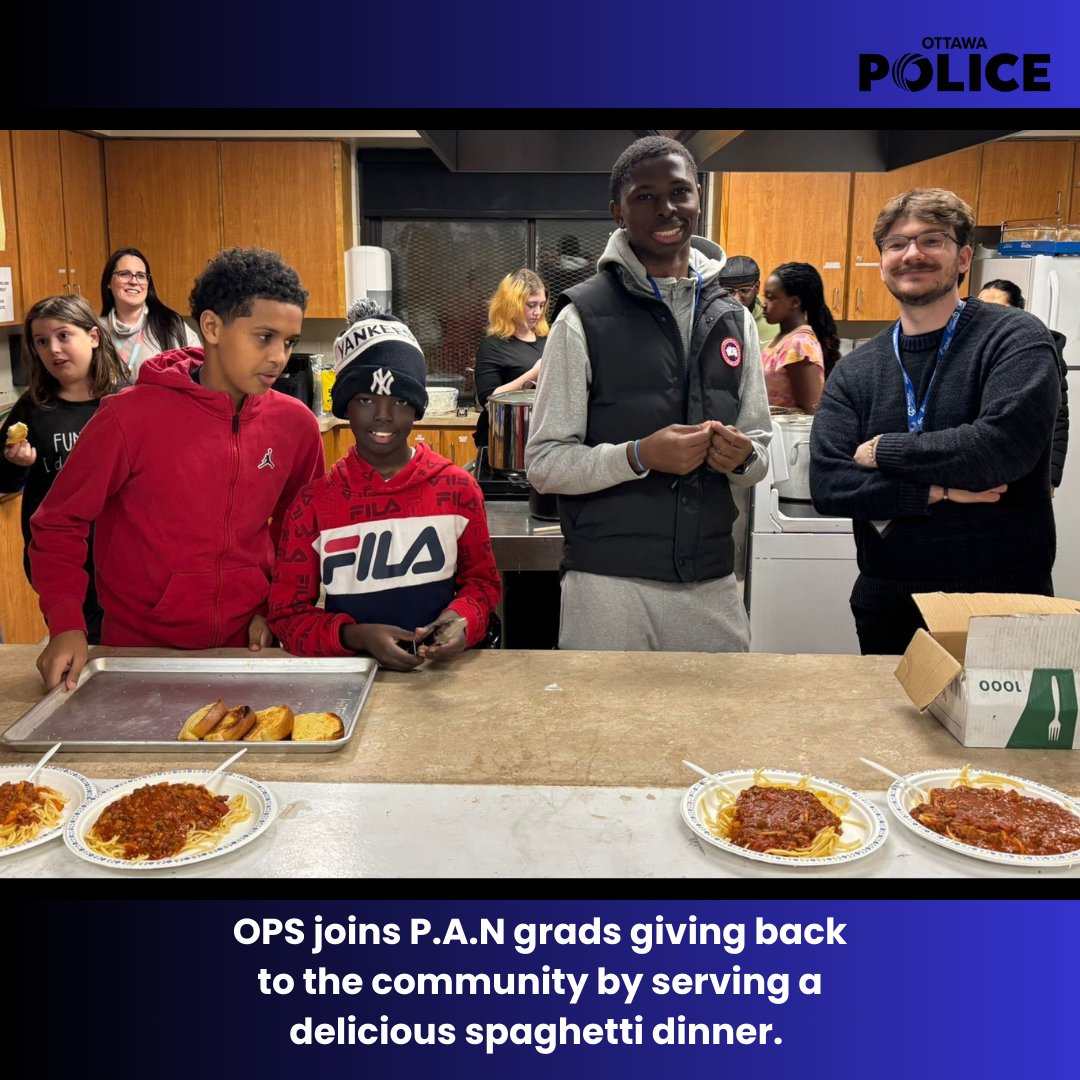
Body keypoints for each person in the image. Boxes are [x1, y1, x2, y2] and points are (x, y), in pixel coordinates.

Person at [30, 247, 326, 689]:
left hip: (248, 647)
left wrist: (275, 609)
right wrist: (66, 623)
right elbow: (58, 523)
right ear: (212, 327)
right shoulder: (127, 418)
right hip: (137, 651)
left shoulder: (296, 425)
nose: (278, 357)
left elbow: (299, 530)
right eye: (264, 337)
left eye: (289, 342)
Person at [524, 135, 771, 652]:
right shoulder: (580, 318)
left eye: (680, 192)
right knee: (604, 710)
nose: (666, 208)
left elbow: (760, 453)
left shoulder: (734, 319)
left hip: (710, 579)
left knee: (721, 707)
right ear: (617, 210)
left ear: (698, 198)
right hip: (607, 583)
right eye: (645, 196)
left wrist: (744, 458)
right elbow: (545, 464)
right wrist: (639, 456)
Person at [810, 188, 1062, 656]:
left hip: (1002, 605)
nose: (912, 254)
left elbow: (997, 451)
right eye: (896, 244)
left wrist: (882, 450)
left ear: (963, 257)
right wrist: (935, 491)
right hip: (889, 603)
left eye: (932, 240)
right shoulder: (856, 370)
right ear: (882, 261)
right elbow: (828, 483)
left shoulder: (1015, 338)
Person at [268, 299, 501, 670]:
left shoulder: (457, 490)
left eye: (400, 401)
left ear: (417, 407)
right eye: (365, 399)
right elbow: (287, 618)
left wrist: (460, 622)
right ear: (345, 405)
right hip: (354, 680)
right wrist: (356, 636)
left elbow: (482, 585)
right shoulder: (313, 504)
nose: (383, 415)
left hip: (441, 680)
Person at [0, 296, 130, 644]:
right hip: (59, 560)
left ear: (93, 337)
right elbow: (4, 481)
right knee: (76, 643)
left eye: (63, 336)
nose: (53, 349)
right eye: (42, 341)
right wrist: (15, 464)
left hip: (121, 556)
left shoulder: (125, 401)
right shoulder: (32, 408)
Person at [977, 278, 1069, 492]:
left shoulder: (1040, 350)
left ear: (1017, 314)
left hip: (1023, 470)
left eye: (998, 309)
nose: (986, 316)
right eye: (981, 307)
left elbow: (1058, 417)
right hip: (976, 468)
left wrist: (1052, 476)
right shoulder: (964, 348)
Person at [472, 269, 549, 450]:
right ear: (511, 305)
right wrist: (534, 374)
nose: (538, 312)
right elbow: (488, 400)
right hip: (505, 440)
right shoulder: (492, 346)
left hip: (541, 436)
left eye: (542, 305)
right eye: (531, 305)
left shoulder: (548, 340)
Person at [100, 247, 200, 378]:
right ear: (108, 282)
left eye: (141, 276)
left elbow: (200, 368)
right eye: (124, 274)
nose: (134, 281)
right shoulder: (97, 331)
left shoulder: (171, 324)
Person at [760, 262, 841, 412]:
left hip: (786, 428)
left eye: (771, 298)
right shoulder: (782, 340)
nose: (764, 304)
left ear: (795, 302)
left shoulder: (799, 345)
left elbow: (810, 410)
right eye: (765, 297)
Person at [715, 255, 778, 347]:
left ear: (757, 288)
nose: (736, 298)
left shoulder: (774, 322)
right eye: (729, 290)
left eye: (744, 290)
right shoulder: (713, 319)